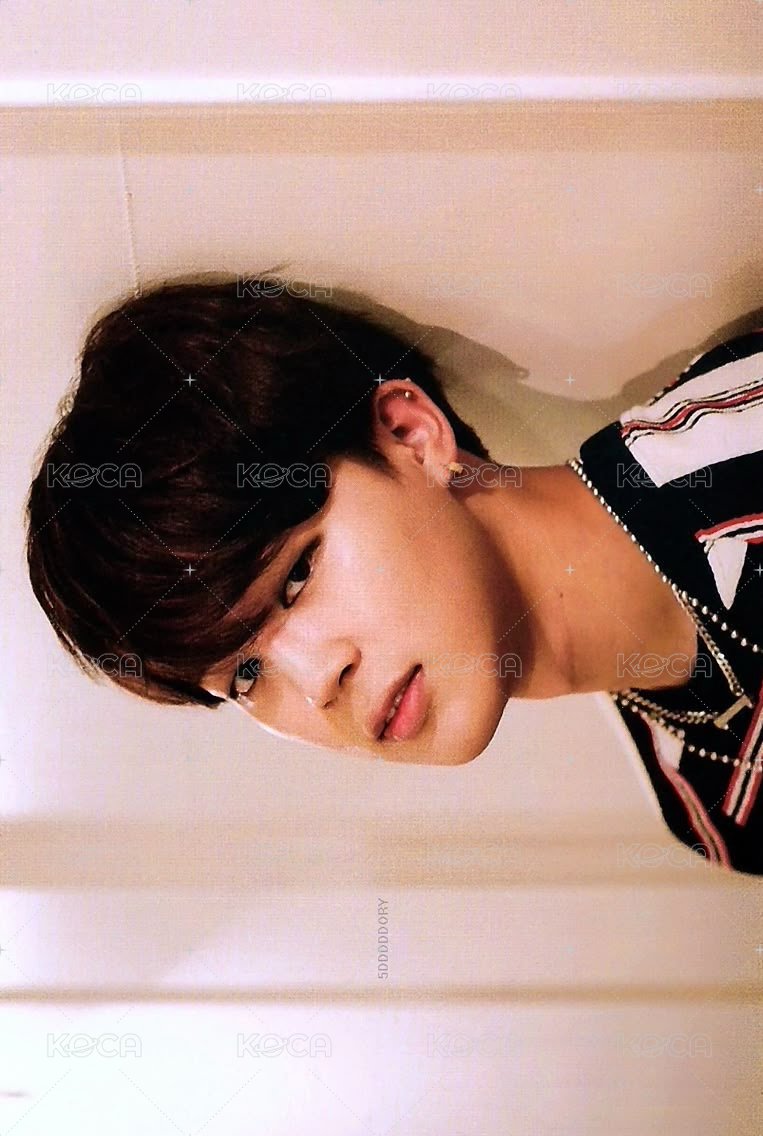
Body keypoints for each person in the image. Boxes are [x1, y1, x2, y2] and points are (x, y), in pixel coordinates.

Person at [24, 273, 763, 874]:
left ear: (411, 435)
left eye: (296, 576)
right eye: (244, 676)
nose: (316, 683)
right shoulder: (703, 803)